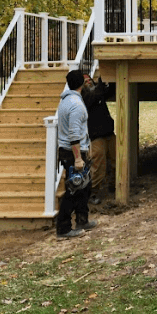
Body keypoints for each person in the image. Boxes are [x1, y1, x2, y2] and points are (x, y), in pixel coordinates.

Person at [55, 69, 96, 238]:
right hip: (72, 153)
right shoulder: (76, 105)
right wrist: (78, 158)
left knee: (84, 187)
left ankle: (82, 219)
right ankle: (63, 228)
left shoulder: (66, 101)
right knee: (73, 190)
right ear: (81, 84)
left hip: (69, 151)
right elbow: (73, 134)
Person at [82, 75, 116, 204]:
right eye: (85, 81)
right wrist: (101, 83)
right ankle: (93, 193)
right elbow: (95, 95)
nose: (89, 82)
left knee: (117, 160)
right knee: (98, 166)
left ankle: (114, 185)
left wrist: (112, 79)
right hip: (96, 137)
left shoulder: (98, 93)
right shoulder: (84, 97)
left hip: (109, 134)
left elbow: (109, 92)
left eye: (89, 79)